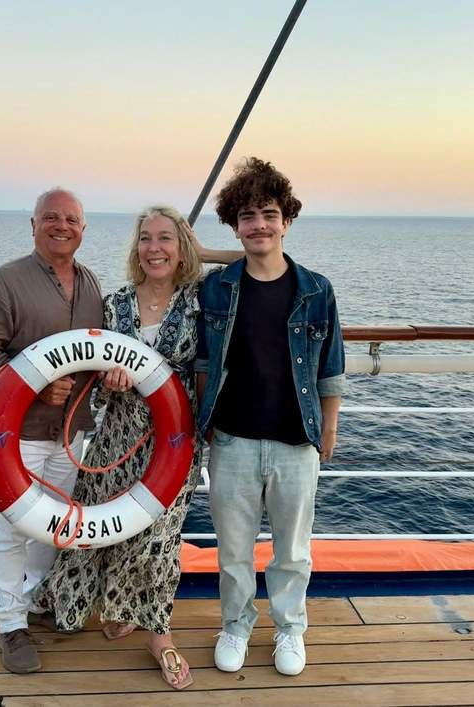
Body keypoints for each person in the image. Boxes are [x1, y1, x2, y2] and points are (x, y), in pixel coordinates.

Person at [33, 205, 239, 690]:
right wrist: (110, 382)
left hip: (174, 441)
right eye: (146, 238)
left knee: (157, 538)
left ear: (181, 246)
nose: (154, 248)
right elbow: (95, 382)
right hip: (117, 437)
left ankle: (158, 635)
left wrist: (204, 250)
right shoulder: (116, 304)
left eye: (166, 238)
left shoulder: (200, 300)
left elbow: (258, 261)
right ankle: (111, 606)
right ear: (136, 248)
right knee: (102, 524)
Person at [195, 158, 346, 676]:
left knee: (292, 553)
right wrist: (202, 420)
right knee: (233, 552)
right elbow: (199, 361)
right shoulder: (216, 289)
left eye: (268, 213)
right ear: (235, 226)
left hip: (295, 440)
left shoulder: (316, 290)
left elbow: (330, 368)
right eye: (246, 216)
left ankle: (289, 631)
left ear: (286, 219)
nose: (258, 224)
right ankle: (235, 626)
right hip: (232, 440)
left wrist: (328, 428)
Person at [0, 188, 103, 674]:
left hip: (70, 435)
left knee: (53, 529)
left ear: (83, 229)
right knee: (9, 531)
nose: (61, 225)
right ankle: (10, 624)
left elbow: (99, 353)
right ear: (33, 224)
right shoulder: (6, 282)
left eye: (71, 219)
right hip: (16, 435)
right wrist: (36, 387)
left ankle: (35, 600)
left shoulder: (91, 286)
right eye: (51, 217)